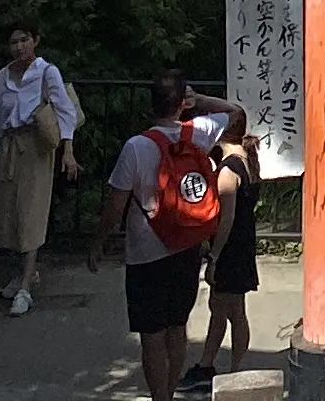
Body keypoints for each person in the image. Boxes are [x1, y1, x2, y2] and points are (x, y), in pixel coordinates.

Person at [91, 74, 244, 401]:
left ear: (150, 105)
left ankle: (160, 396)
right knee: (177, 329)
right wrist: (197, 98)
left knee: (151, 334)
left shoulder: (136, 147)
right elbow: (235, 113)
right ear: (181, 103)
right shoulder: (198, 133)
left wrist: (99, 244)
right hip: (187, 246)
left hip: (146, 252)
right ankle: (171, 393)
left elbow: (115, 205)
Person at [0, 24, 81, 315]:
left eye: (24, 40)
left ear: (35, 41)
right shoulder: (3, 75)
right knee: (9, 213)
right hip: (10, 145)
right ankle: (25, 272)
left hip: (35, 147)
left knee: (31, 212)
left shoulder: (47, 72)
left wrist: (68, 151)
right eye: (14, 41)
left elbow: (66, 111)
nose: (19, 46)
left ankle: (25, 284)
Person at [199, 115, 263, 388]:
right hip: (243, 245)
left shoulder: (228, 171)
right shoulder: (247, 161)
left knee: (230, 310)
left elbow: (226, 220)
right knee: (225, 308)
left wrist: (213, 256)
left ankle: (230, 369)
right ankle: (209, 364)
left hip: (229, 249)